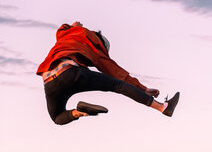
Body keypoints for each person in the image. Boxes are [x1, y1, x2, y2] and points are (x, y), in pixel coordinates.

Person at [36, 21, 179, 125]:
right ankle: (163, 108)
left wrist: (74, 26)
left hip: (49, 82)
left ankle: (79, 112)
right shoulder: (97, 50)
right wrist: (143, 89)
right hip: (71, 73)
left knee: (57, 117)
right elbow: (118, 74)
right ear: (102, 44)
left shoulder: (66, 34)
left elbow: (62, 28)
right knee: (118, 85)